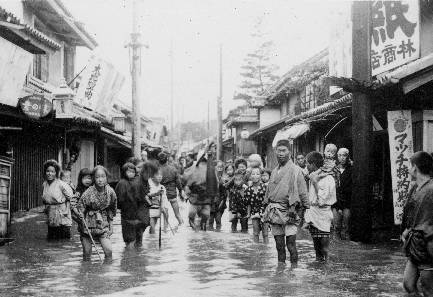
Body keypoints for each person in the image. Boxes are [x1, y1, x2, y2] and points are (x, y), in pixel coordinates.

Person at [263, 139, 309, 266]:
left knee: (291, 244)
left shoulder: (296, 170)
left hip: (290, 211)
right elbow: (268, 193)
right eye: (278, 151)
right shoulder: (274, 171)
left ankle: (294, 270)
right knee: (279, 245)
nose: (281, 153)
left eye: (284, 151)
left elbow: (302, 191)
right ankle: (281, 269)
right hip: (275, 211)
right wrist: (266, 207)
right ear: (275, 152)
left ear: (290, 152)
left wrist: (304, 209)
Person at [402, 151, 433, 296]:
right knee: (408, 284)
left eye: (410, 165)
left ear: (415, 167)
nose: (408, 169)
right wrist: (408, 229)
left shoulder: (431, 189)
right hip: (415, 244)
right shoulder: (416, 187)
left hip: (428, 245)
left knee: (428, 289)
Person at [77, 166, 117, 261]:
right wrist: (80, 215)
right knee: (87, 253)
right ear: (94, 179)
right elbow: (80, 208)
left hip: (102, 223)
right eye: (97, 177)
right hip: (87, 223)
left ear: (106, 177)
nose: (100, 180)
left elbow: (112, 209)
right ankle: (87, 272)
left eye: (103, 177)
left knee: (108, 251)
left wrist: (111, 227)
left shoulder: (110, 192)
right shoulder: (88, 192)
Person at [303, 151, 336, 262]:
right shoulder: (313, 175)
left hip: (323, 214)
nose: (306, 165)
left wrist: (315, 182)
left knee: (325, 249)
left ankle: (327, 270)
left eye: (307, 163)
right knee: (317, 249)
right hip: (313, 214)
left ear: (312, 164)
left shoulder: (328, 178)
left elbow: (322, 200)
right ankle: (318, 270)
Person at [184, 142, 218, 231]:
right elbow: (187, 181)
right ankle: (191, 222)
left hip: (206, 194)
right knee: (192, 212)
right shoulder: (194, 167)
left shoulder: (211, 167)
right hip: (195, 194)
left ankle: (203, 225)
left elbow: (216, 182)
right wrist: (187, 191)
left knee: (206, 214)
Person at [116, 163, 149, 249]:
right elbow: (119, 201)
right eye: (128, 171)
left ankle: (134, 259)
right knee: (130, 240)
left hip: (137, 216)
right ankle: (131, 259)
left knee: (138, 239)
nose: (131, 173)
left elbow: (143, 196)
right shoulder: (122, 183)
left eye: (132, 171)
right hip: (128, 216)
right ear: (124, 172)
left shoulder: (138, 182)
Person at [42, 160, 74, 240]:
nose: (50, 173)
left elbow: (71, 197)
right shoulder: (44, 184)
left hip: (62, 213)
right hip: (51, 214)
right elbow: (45, 198)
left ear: (56, 173)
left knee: (63, 238)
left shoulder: (61, 184)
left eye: (52, 171)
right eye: (48, 171)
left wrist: (73, 210)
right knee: (51, 238)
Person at [158, 152, 184, 226]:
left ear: (158, 160)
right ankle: (182, 229)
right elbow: (178, 183)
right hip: (172, 194)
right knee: (178, 215)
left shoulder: (157, 171)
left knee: (165, 216)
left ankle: (165, 231)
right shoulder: (173, 169)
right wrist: (180, 191)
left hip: (162, 195)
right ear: (167, 160)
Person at [333, 148, 352, 240]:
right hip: (336, 201)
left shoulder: (352, 169)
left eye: (344, 155)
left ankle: (347, 249)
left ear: (347, 157)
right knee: (336, 227)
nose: (342, 158)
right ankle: (337, 249)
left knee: (346, 226)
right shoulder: (334, 170)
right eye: (339, 155)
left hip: (347, 202)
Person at [246, 167, 268, 243]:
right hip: (254, 213)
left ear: (260, 176)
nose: (255, 176)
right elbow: (248, 203)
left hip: (264, 212)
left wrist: (267, 212)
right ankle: (256, 249)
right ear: (250, 176)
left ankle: (266, 248)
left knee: (265, 233)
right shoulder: (248, 189)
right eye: (253, 174)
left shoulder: (265, 187)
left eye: (257, 174)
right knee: (255, 233)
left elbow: (268, 201)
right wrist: (248, 214)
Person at [148, 167, 169, 234]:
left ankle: (152, 240)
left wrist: (163, 207)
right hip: (149, 208)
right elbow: (146, 195)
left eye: (161, 175)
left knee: (153, 227)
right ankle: (152, 240)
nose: (160, 177)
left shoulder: (162, 187)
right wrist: (156, 194)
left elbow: (164, 200)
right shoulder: (149, 185)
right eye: (157, 175)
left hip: (157, 209)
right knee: (152, 227)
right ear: (152, 177)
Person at [209, 160, 226, 231]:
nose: (220, 168)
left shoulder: (223, 179)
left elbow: (225, 194)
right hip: (211, 203)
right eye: (218, 167)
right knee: (210, 221)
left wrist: (222, 203)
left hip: (219, 203)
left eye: (221, 167)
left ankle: (218, 233)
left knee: (218, 221)